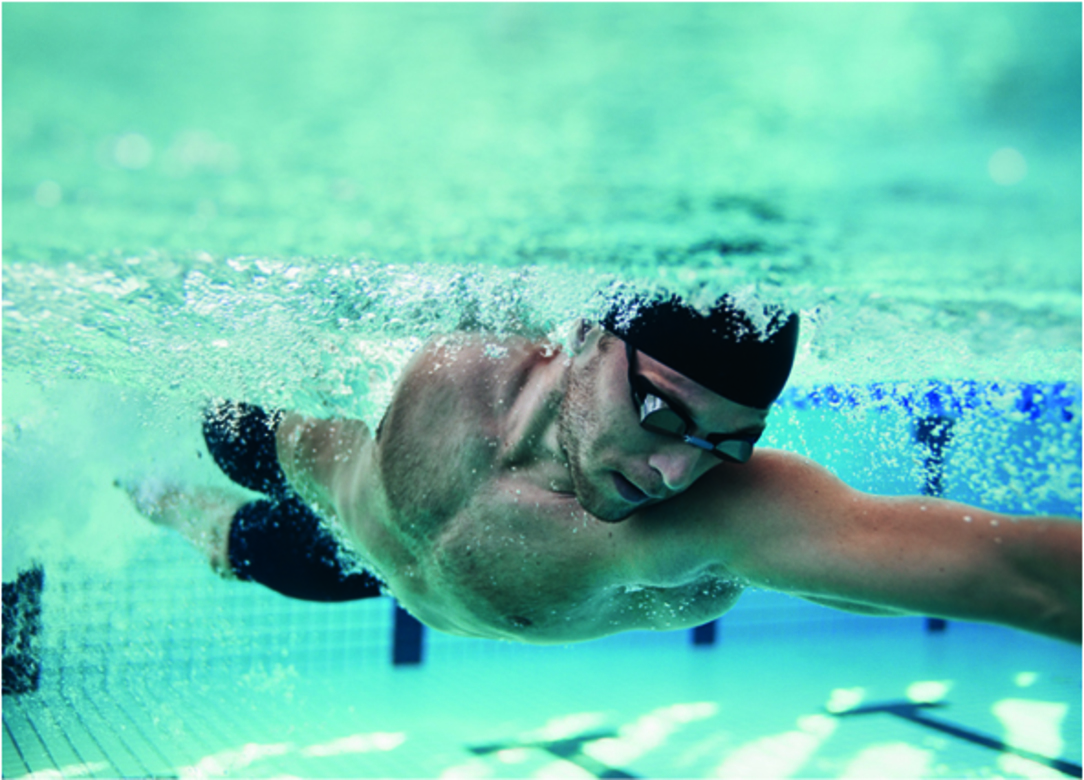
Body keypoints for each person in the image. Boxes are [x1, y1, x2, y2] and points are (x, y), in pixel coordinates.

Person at [125, 293, 1082, 644]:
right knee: (191, 417)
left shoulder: (706, 524)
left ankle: (172, 511)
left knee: (220, 533)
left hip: (365, 572)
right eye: (662, 410)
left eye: (723, 443)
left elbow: (1014, 574)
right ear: (585, 336)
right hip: (304, 457)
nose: (673, 473)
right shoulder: (468, 331)